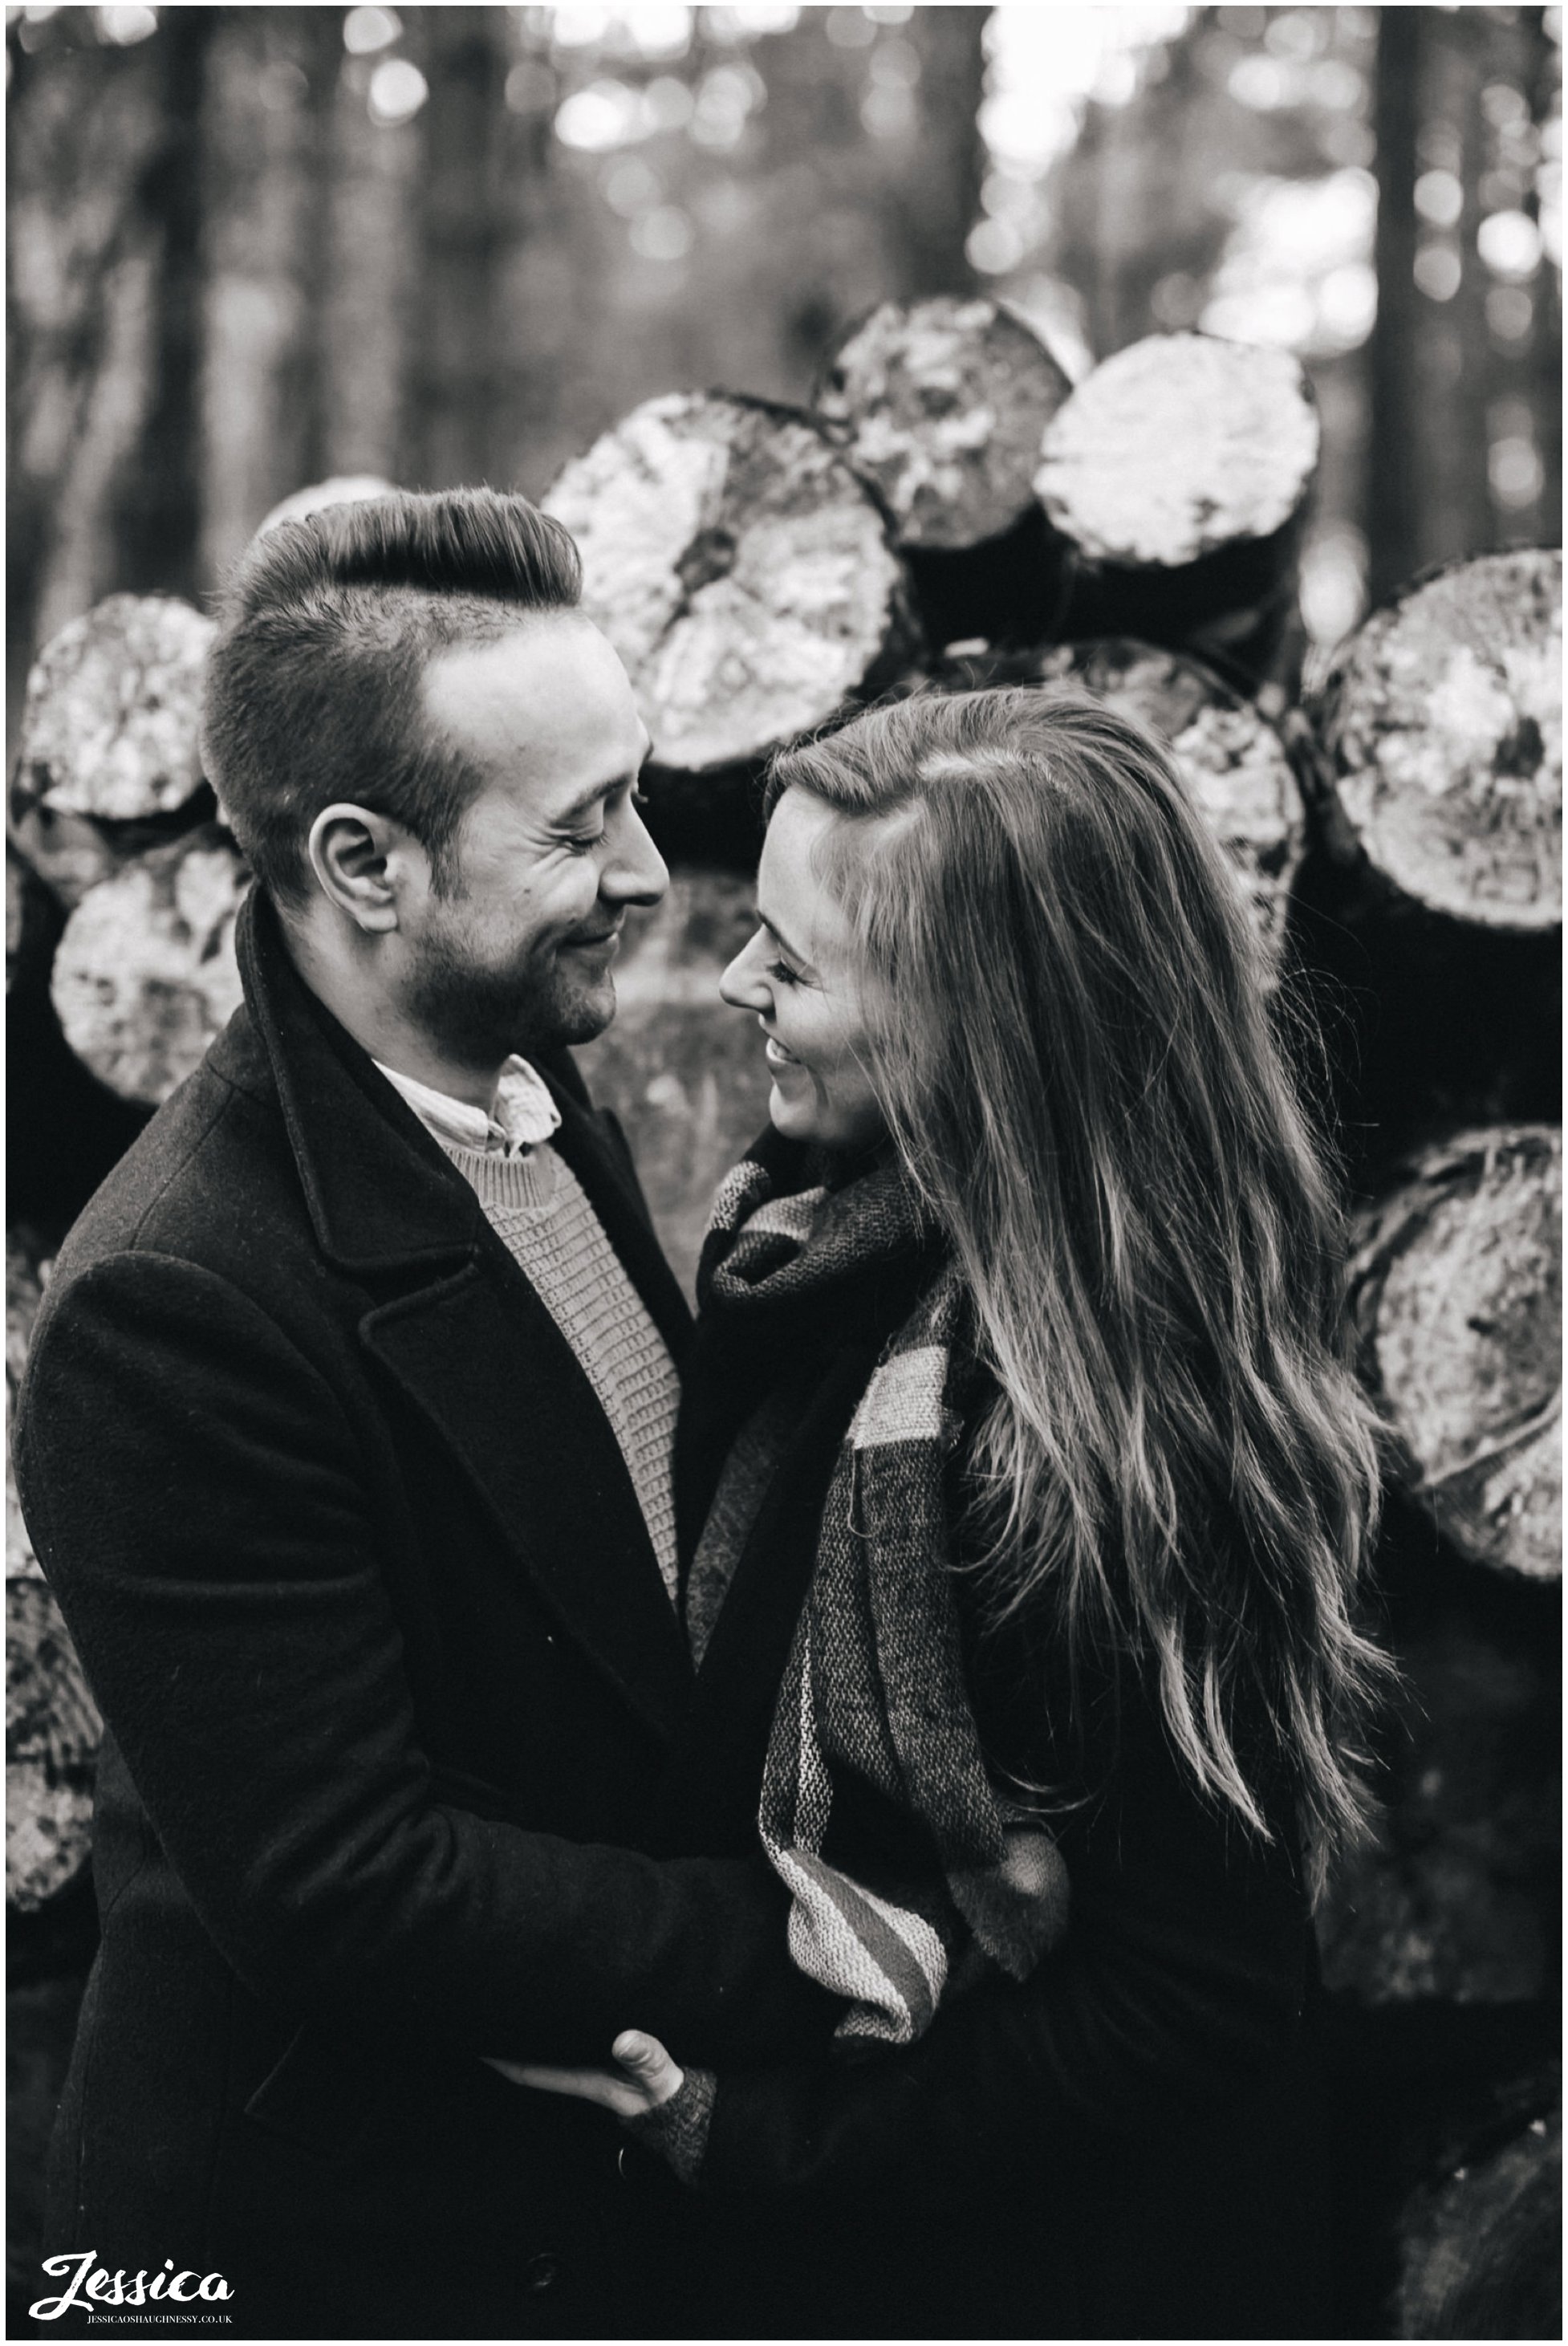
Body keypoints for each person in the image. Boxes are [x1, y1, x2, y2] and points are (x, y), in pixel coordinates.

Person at [12, 490, 839, 2343]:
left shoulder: (541, 1090)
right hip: (334, 2250)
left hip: (588, 2199)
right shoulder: (174, 1299)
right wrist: (822, 1939)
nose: (643, 870)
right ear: (365, 864)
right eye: (575, 826)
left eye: (632, 793)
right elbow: (349, 1883)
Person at [496, 687, 1393, 2340]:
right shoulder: (824, 1269)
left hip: (1061, 2276)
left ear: (991, 1024)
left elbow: (1186, 1996)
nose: (735, 983)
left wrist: (758, 2136)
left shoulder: (1099, 1428)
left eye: (797, 960)